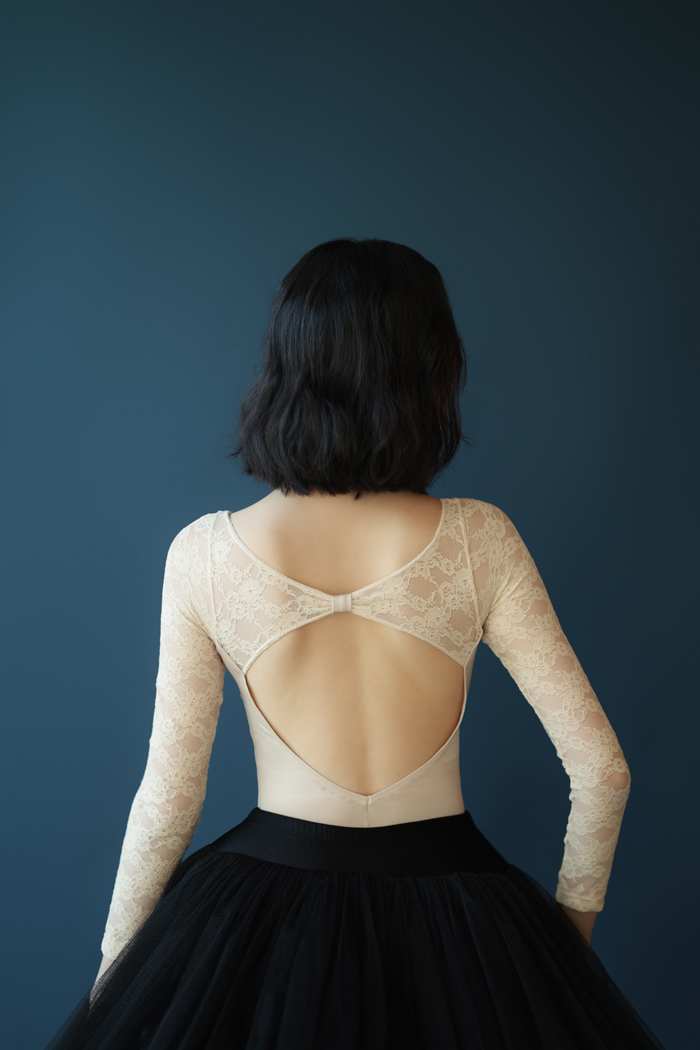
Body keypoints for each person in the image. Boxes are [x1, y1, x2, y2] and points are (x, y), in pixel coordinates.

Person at [46, 238, 664, 1049]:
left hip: (255, 927)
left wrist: (115, 982)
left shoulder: (204, 554)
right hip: (462, 921)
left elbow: (169, 801)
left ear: (286, 364)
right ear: (430, 370)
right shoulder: (479, 539)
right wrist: (564, 950)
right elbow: (603, 771)